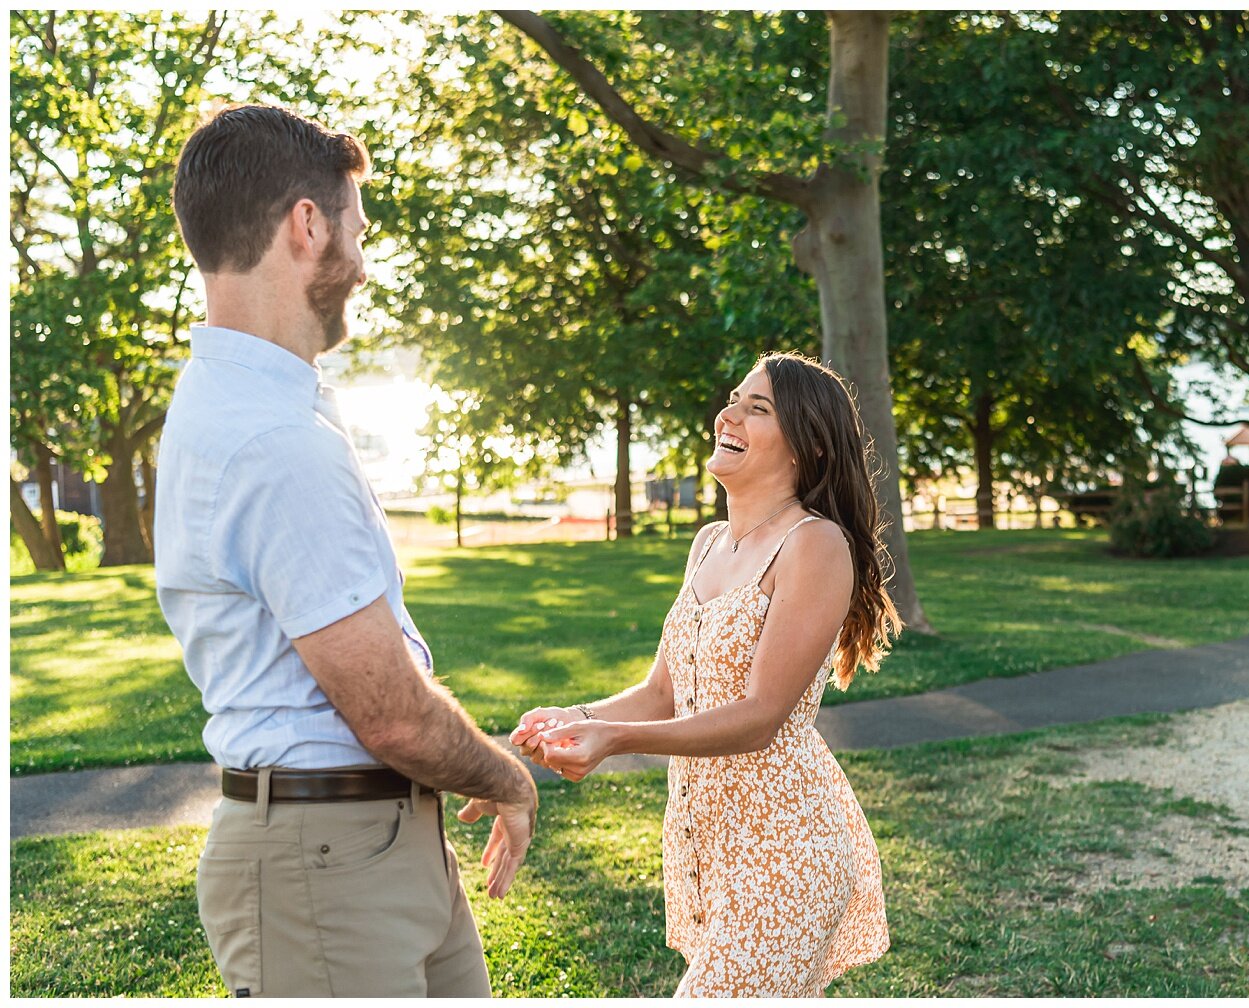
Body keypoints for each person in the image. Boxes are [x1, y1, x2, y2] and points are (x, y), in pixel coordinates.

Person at [155, 104, 536, 997]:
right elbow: (392, 716)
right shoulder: (269, 438)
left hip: (376, 845)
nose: (363, 265)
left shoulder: (261, 406)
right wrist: (506, 776)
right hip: (323, 871)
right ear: (309, 225)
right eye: (358, 231)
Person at [511, 351, 899, 996]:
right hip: (710, 846)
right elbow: (663, 691)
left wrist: (616, 740)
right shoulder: (709, 543)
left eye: (759, 407)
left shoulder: (815, 543)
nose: (729, 413)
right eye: (734, 399)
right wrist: (577, 717)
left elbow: (760, 716)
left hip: (787, 847)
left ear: (810, 448)